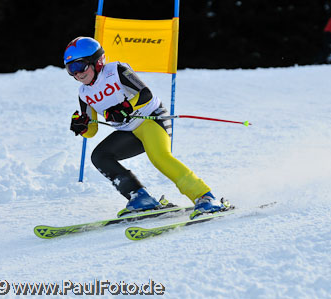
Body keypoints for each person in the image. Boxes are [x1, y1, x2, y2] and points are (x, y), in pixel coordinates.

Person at [64, 36, 227, 219]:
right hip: (129, 131)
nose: (77, 74)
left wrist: (124, 108)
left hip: (152, 120)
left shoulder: (116, 70)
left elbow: (145, 93)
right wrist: (82, 126)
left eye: (79, 66)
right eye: (71, 69)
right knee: (100, 156)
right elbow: (92, 131)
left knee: (160, 157)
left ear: (97, 61)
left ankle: (205, 197)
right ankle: (140, 197)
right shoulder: (84, 93)